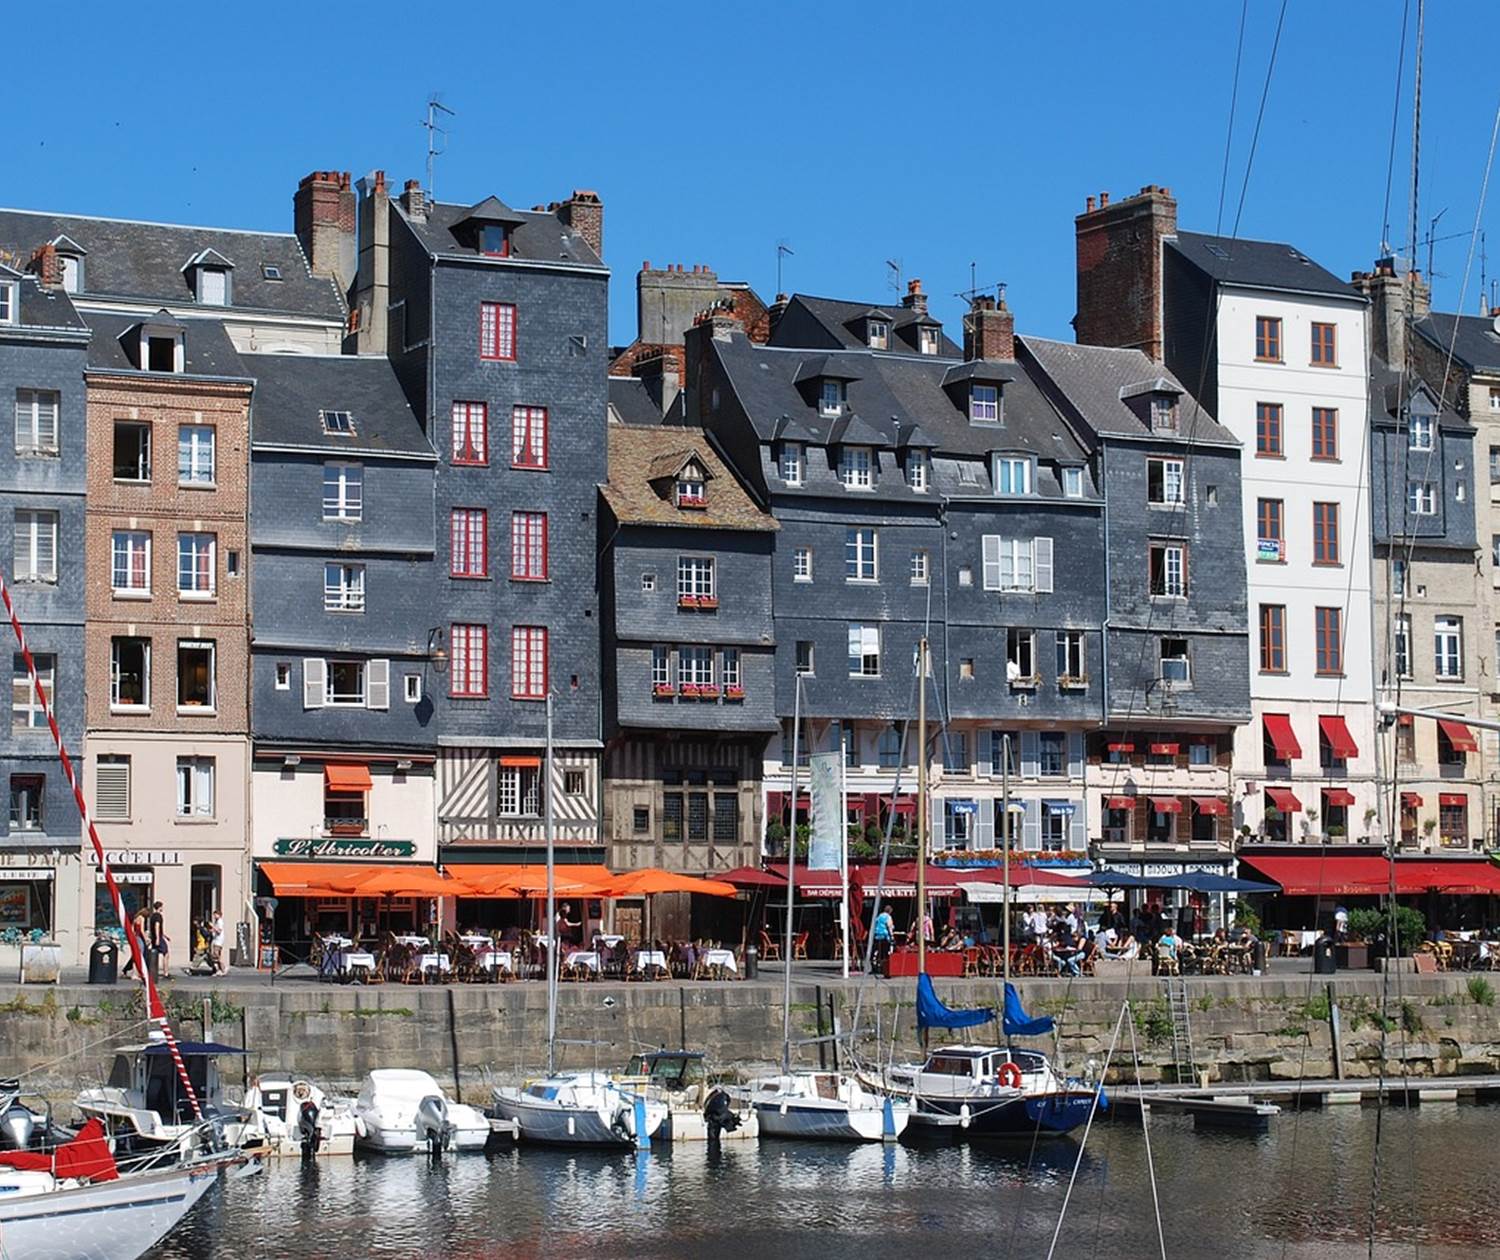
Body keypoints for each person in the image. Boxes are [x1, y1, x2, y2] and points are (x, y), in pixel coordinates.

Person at [120, 904, 150, 977]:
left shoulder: (136, 918)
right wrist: (146, 938)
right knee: (139, 955)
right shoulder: (142, 918)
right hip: (139, 937)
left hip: (135, 937)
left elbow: (132, 928)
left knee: (136, 954)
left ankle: (130, 970)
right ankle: (136, 973)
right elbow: (142, 930)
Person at [146, 901, 167, 980]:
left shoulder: (153, 916)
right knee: (166, 954)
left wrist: (164, 935)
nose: (162, 908)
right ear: (159, 907)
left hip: (156, 936)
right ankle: (166, 973)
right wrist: (158, 938)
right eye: (162, 906)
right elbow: (157, 926)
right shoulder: (158, 916)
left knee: (155, 953)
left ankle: (153, 970)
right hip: (158, 937)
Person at [872, 908, 894, 974]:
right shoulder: (888, 917)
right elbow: (889, 926)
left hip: (877, 936)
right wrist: (892, 936)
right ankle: (884, 968)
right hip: (885, 936)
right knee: (885, 953)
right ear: (889, 911)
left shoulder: (879, 916)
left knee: (878, 952)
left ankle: (876, 966)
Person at [210, 909, 228, 976]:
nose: (214, 916)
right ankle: (218, 970)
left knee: (216, 955)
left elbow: (219, 931)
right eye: (214, 915)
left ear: (219, 915)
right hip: (216, 940)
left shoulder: (220, 921)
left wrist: (213, 927)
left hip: (218, 941)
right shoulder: (217, 921)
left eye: (215, 914)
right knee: (215, 956)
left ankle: (223, 969)